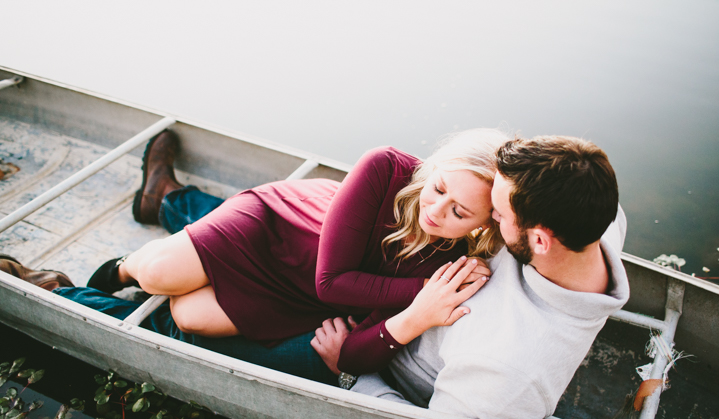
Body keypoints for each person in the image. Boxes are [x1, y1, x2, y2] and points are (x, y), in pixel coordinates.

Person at [1, 128, 508, 385]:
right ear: (433, 167)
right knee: (156, 271)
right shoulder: (387, 167)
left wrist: (409, 315)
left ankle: (165, 198)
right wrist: (420, 300)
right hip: (286, 221)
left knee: (189, 314)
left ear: (486, 223)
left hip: (301, 288)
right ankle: (118, 269)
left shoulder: (448, 262)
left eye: (459, 211)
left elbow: (351, 353)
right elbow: (334, 284)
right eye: (437, 188)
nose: (435, 211)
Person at [314, 135, 630, 419]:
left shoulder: (506, 375)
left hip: (367, 353)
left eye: (499, 215)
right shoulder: (600, 214)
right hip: (390, 291)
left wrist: (352, 379)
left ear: (539, 241)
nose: (489, 220)